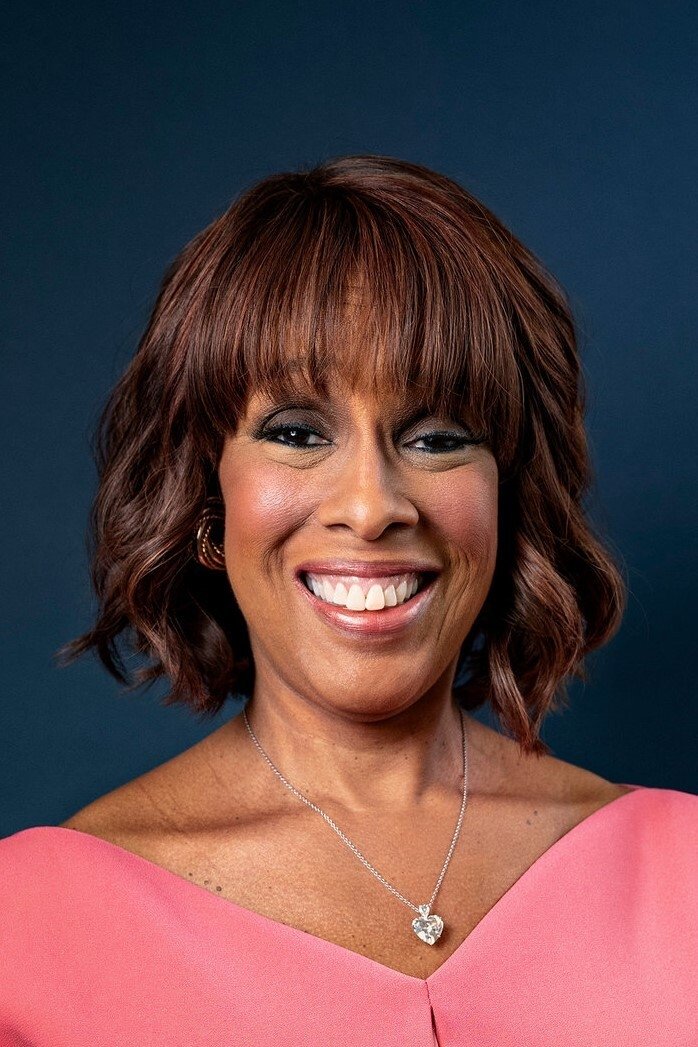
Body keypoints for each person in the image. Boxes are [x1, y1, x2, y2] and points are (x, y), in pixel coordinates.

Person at [1, 155, 695, 1047]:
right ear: (207, 500)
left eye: (437, 437)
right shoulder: (29, 930)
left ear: (508, 496)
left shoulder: (683, 875)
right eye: (297, 433)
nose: (371, 508)